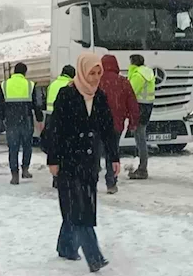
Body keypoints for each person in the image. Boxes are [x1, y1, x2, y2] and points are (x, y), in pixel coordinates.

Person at [45, 53, 120, 272]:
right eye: (92, 73)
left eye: (99, 73)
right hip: (69, 161)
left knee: (80, 207)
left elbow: (108, 129)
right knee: (80, 211)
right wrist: (53, 159)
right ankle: (94, 256)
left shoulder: (100, 97)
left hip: (89, 162)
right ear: (82, 72)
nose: (96, 78)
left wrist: (114, 157)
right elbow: (55, 130)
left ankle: (66, 247)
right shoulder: (66, 94)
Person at [98, 55, 139, 194]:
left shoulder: (96, 81)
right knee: (112, 152)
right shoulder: (123, 82)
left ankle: (91, 179)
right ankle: (111, 183)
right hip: (116, 125)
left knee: (94, 151)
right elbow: (133, 104)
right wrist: (132, 123)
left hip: (97, 124)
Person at [0, 62, 43, 185]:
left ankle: (14, 175)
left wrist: (2, 118)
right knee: (27, 146)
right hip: (26, 119)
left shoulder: (5, 85)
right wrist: (39, 118)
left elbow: (0, 104)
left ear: (14, 71)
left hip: (11, 120)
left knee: (13, 148)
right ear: (24, 72)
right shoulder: (30, 85)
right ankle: (25, 170)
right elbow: (36, 104)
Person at [43, 65, 76, 189]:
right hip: (65, 119)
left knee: (54, 146)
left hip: (51, 117)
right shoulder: (70, 85)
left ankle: (55, 177)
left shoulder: (53, 84)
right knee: (66, 148)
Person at [127, 54, 155, 180]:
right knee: (140, 136)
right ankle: (142, 166)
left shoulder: (138, 75)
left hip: (139, 107)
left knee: (140, 137)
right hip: (147, 107)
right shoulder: (148, 72)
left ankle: (142, 168)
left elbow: (130, 91)